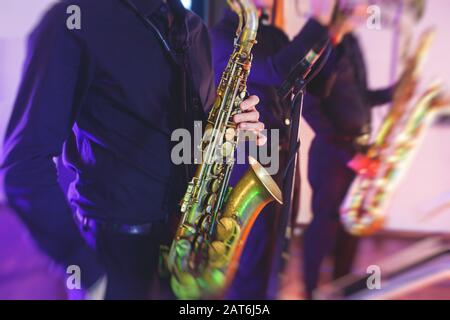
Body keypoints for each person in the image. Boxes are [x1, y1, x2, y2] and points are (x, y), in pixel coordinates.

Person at [1, 0, 266, 300]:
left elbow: (193, 142)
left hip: (184, 251)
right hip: (113, 259)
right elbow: (22, 164)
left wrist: (228, 129)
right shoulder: (76, 20)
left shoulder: (195, 29)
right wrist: (89, 274)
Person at [211, 0, 355, 299]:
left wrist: (333, 32)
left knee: (277, 256)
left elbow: (315, 86)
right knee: (249, 260)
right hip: (249, 159)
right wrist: (318, 20)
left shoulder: (272, 34)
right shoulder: (223, 34)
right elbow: (276, 73)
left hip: (283, 157)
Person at [302, 0, 397, 299]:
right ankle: (311, 289)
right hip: (332, 154)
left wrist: (396, 91)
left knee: (352, 224)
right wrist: (349, 155)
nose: (368, 7)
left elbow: (361, 95)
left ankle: (342, 286)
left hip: (360, 146)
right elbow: (311, 108)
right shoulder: (315, 45)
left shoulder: (353, 43)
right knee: (324, 224)